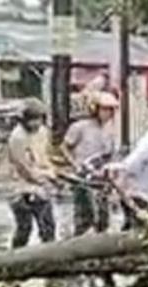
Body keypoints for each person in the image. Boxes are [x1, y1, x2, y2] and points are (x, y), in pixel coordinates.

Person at [62, 91, 118, 235]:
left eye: (111, 110)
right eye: (105, 109)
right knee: (83, 215)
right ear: (95, 108)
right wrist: (75, 164)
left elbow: (110, 154)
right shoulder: (80, 127)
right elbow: (64, 147)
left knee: (103, 216)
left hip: (100, 177)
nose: (109, 113)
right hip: (83, 177)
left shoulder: (110, 130)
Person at [7, 98, 56, 249]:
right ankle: (14, 258)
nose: (36, 123)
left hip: (42, 183)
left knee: (48, 226)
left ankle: (50, 256)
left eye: (39, 119)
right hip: (22, 188)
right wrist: (42, 178)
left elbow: (45, 156)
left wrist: (51, 172)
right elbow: (23, 168)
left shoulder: (43, 132)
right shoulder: (17, 138)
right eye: (32, 120)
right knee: (24, 228)